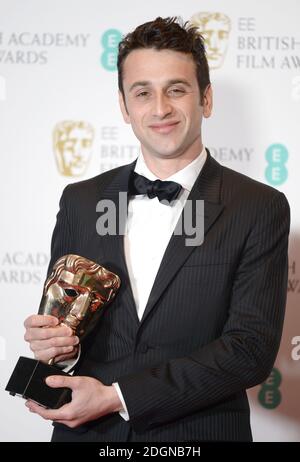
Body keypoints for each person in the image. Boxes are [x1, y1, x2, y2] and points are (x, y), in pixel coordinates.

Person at [24, 16, 290, 442]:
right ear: (125, 107)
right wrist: (58, 346)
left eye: (177, 89)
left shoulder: (258, 207)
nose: (160, 108)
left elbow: (250, 351)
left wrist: (119, 396)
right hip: (89, 436)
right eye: (143, 92)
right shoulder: (81, 199)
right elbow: (69, 325)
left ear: (206, 99)